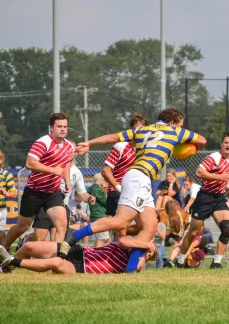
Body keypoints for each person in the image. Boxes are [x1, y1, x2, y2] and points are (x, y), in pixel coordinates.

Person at [60, 106, 206, 272]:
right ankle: (72, 239)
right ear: (173, 122)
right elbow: (202, 140)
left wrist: (89, 143)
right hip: (139, 178)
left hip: (139, 178)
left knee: (150, 226)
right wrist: (188, 148)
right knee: (120, 221)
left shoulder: (143, 130)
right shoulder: (174, 131)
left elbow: (113, 137)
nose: (180, 128)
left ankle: (130, 270)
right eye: (180, 125)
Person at [3, 113, 74, 250]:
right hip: (34, 191)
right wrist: (52, 170)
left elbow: (65, 165)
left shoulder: (69, 147)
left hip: (53, 192)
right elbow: (30, 163)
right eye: (59, 126)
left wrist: (67, 182)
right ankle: (2, 249)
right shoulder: (43, 142)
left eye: (65, 126)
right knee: (22, 226)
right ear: (51, 127)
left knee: (61, 225)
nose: (63, 129)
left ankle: (56, 259)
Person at [177, 132, 229, 269]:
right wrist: (219, 177)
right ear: (221, 144)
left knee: (227, 230)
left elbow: (226, 180)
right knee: (193, 232)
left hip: (219, 198)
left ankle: (216, 263)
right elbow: (199, 173)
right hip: (205, 197)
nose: (228, 145)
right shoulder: (213, 157)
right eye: (226, 142)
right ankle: (180, 261)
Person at [31, 141, 96, 242]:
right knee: (40, 238)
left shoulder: (77, 173)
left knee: (56, 240)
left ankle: (53, 257)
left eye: (72, 150)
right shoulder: (51, 165)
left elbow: (82, 193)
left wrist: (89, 198)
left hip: (62, 207)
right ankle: (27, 240)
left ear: (76, 152)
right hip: (45, 204)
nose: (69, 152)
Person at [0, 238, 157, 275]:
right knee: (29, 246)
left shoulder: (134, 263)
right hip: (78, 252)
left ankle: (12, 261)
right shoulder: (126, 244)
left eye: (150, 253)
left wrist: (144, 255)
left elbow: (133, 271)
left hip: (80, 269)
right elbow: (122, 239)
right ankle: (6, 269)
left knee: (56, 262)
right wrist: (146, 244)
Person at [102, 113, 148, 216]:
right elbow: (105, 171)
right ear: (130, 130)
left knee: (146, 225)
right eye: (136, 129)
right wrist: (118, 187)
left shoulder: (145, 149)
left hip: (136, 193)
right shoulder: (121, 146)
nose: (139, 132)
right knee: (120, 228)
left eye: (142, 129)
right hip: (118, 193)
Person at [88, 173, 110, 247]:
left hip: (96, 215)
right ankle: (97, 255)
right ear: (100, 181)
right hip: (99, 215)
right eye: (104, 180)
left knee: (99, 238)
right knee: (104, 239)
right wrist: (105, 191)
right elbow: (106, 203)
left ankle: (94, 254)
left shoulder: (93, 189)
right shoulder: (97, 190)